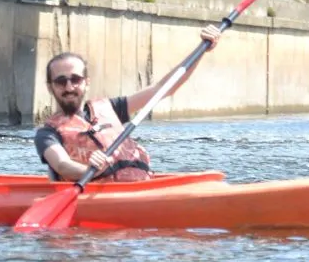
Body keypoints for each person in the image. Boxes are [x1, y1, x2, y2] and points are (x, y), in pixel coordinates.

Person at [35, 23, 223, 182]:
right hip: (96, 193)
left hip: (141, 186)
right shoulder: (47, 134)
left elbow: (163, 88)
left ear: (86, 82)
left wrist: (201, 50)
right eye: (61, 81)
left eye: (75, 79)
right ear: (51, 87)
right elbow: (62, 165)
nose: (69, 87)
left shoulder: (111, 108)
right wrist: (88, 170)